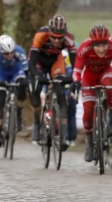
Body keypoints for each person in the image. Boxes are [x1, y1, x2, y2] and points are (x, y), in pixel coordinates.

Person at [71, 25, 112, 162]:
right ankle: (89, 142)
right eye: (97, 46)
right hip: (89, 76)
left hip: (106, 72)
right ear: (92, 44)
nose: (101, 49)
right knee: (88, 110)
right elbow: (77, 70)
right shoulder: (84, 48)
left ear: (108, 42)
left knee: (109, 86)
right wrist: (76, 81)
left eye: (104, 45)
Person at [28, 14, 76, 151]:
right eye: (53, 37)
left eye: (59, 38)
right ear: (49, 32)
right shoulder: (40, 35)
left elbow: (75, 64)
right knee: (35, 92)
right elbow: (32, 61)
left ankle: (63, 135)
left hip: (55, 61)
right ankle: (37, 124)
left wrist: (73, 77)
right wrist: (37, 75)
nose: (56, 40)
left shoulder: (69, 39)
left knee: (61, 93)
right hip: (39, 61)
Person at [0, 35, 28, 147]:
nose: (10, 56)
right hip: (1, 75)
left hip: (16, 72)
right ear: (1, 51)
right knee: (0, 101)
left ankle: (18, 114)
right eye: (6, 54)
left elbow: (27, 71)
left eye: (12, 52)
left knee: (22, 88)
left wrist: (26, 81)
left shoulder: (20, 52)